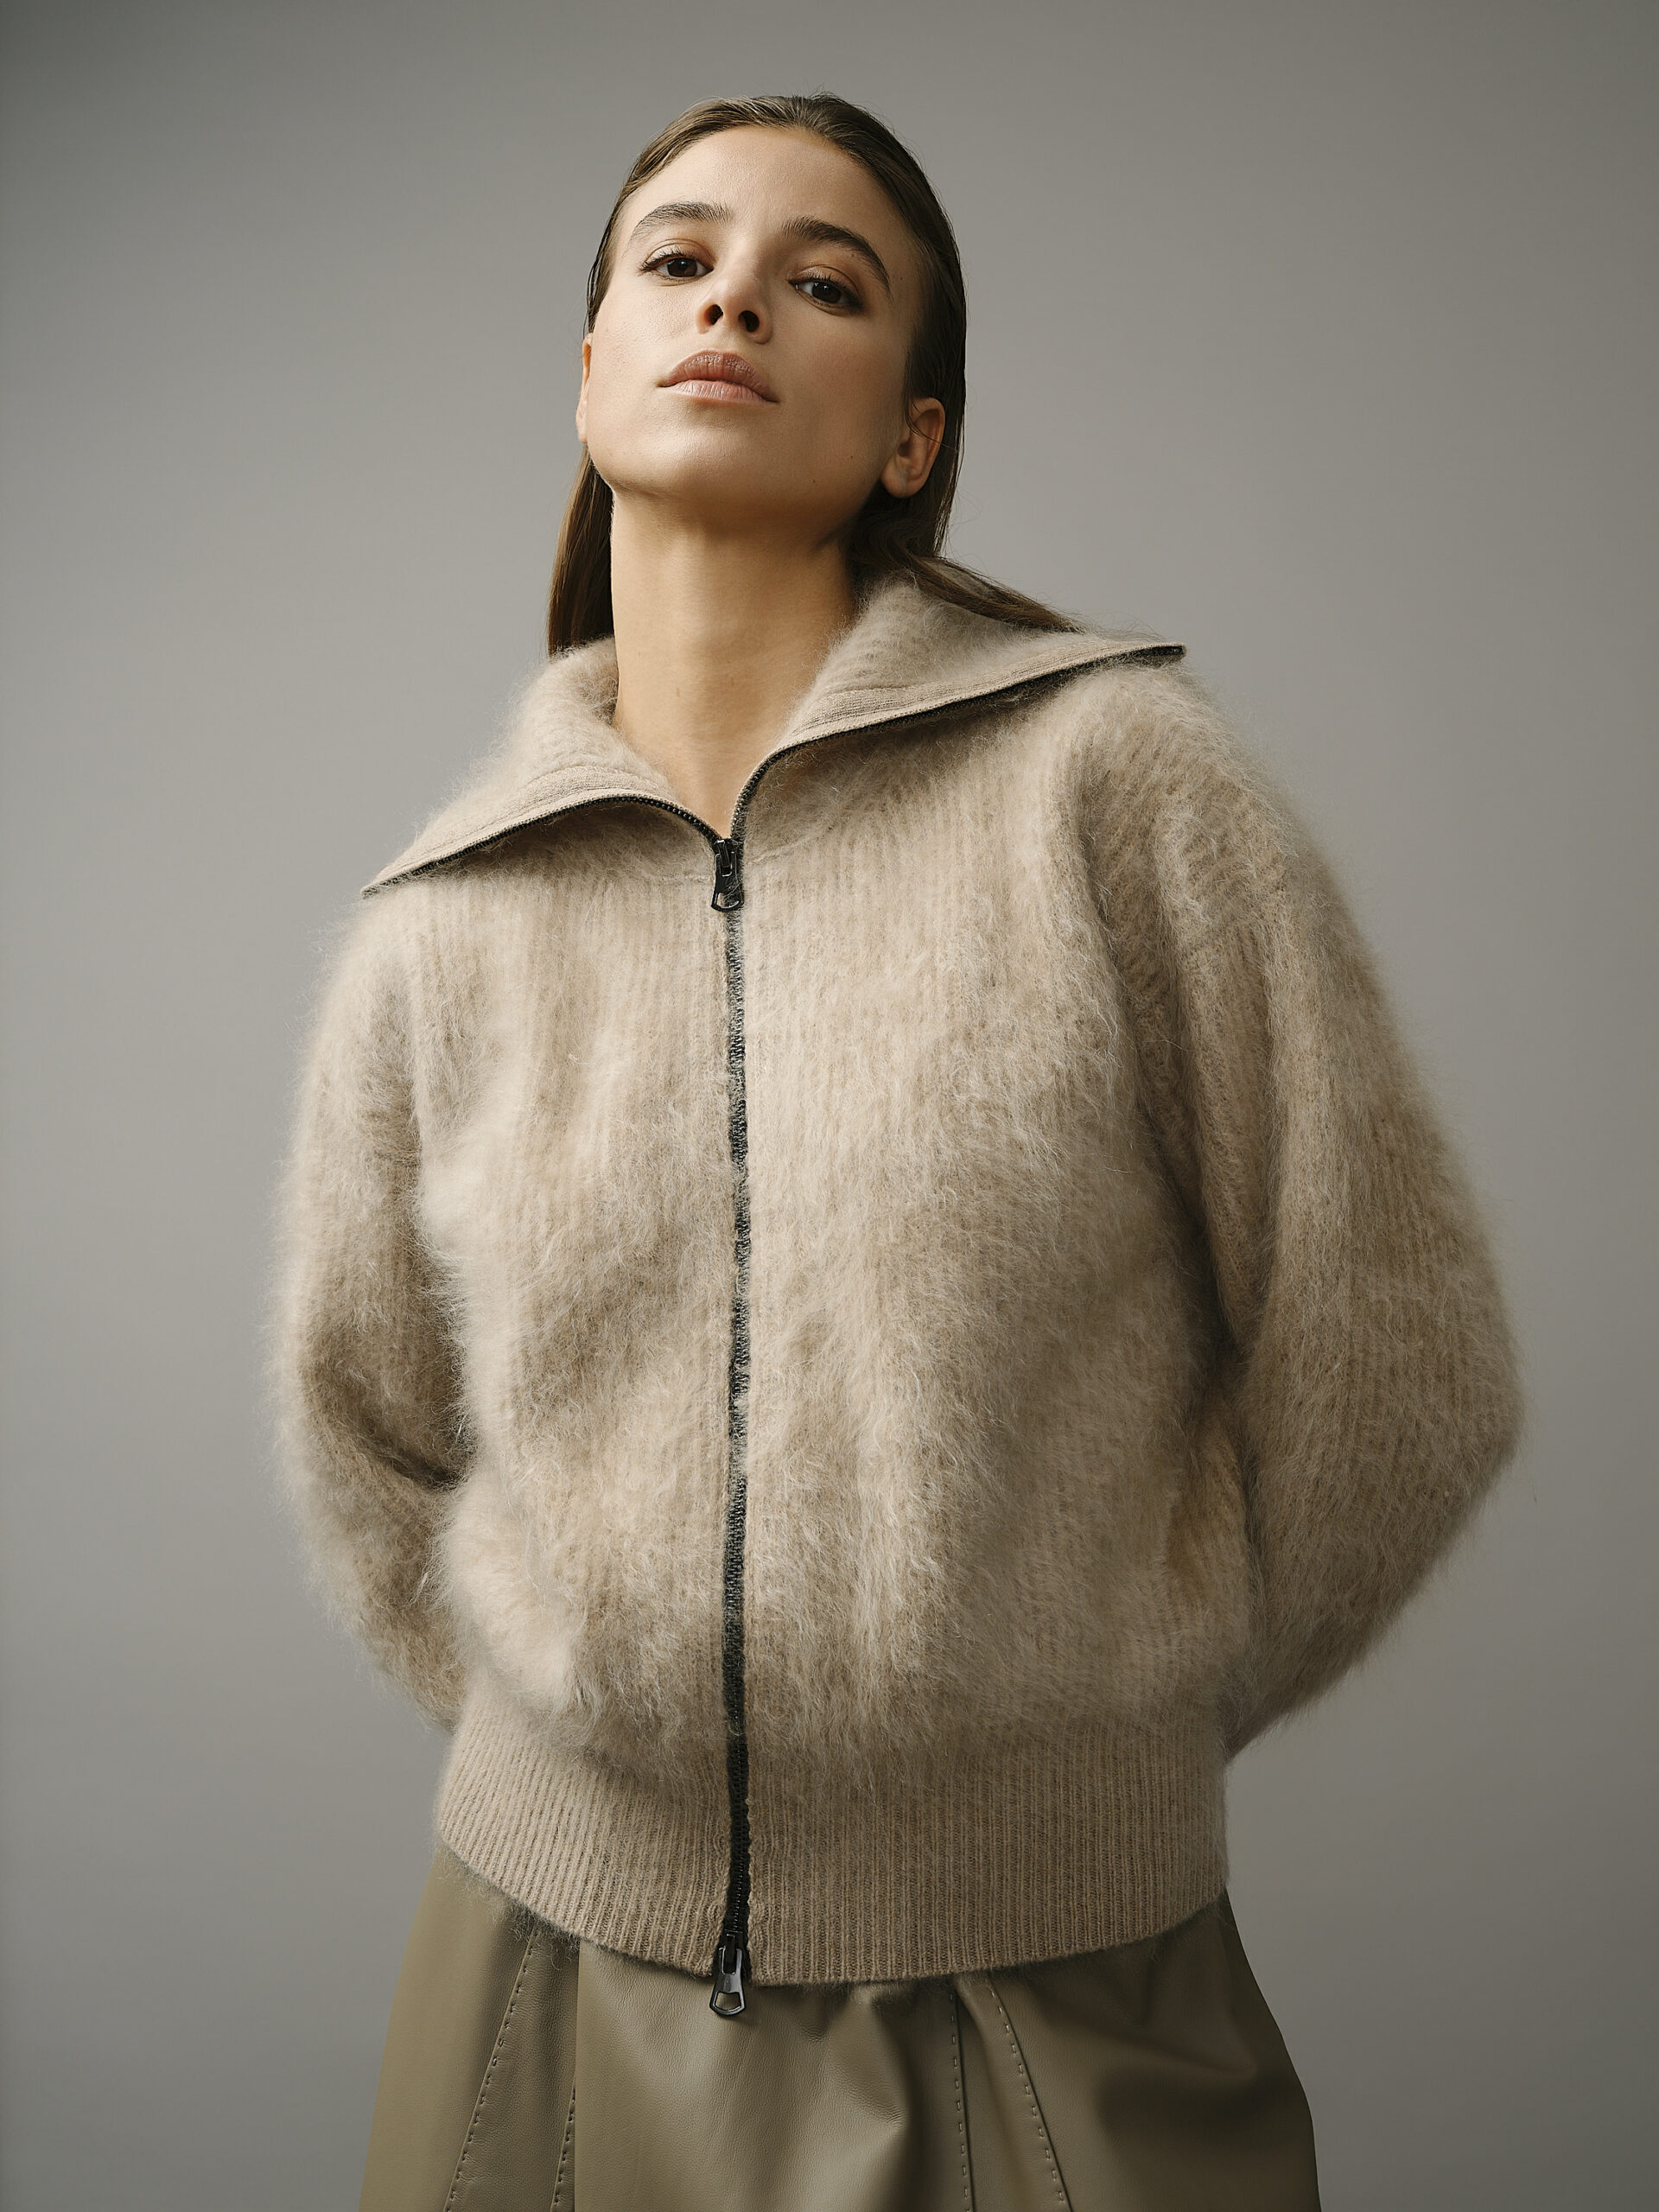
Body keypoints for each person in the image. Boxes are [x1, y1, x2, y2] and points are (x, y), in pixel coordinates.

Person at [271, 92, 1522, 2211]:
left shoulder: (1121, 791)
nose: (735, 300)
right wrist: (597, 1769)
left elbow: (1398, 1364)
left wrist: (1088, 1745)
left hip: (1053, 1994)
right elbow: (363, 1431)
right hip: (542, 2001)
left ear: (913, 434)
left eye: (824, 281)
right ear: (591, 365)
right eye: (677, 261)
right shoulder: (444, 922)